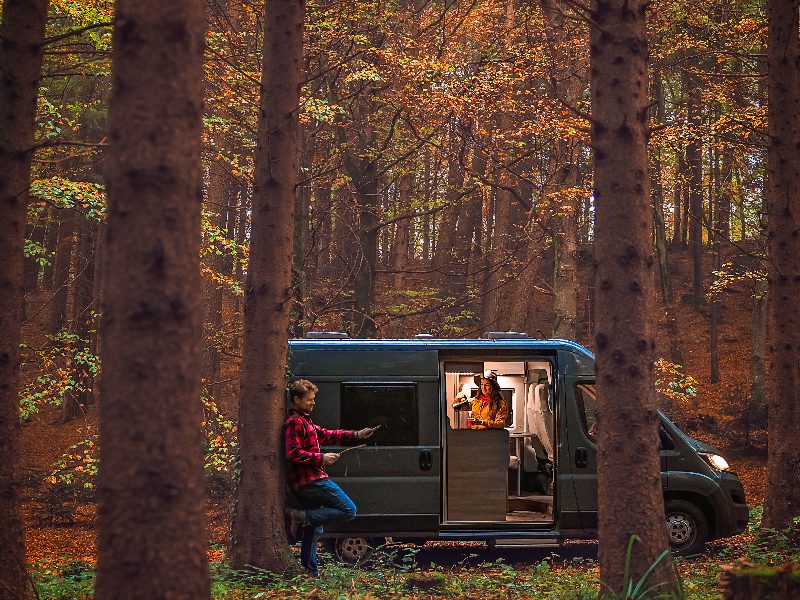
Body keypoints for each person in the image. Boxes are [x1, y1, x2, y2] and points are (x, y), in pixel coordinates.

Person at [283, 379, 378, 577]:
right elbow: (293, 453)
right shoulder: (294, 423)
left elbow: (328, 434)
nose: (313, 403)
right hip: (311, 481)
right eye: (309, 399)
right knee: (349, 510)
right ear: (297, 399)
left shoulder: (306, 421)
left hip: (310, 480)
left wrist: (357, 435)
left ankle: (310, 572)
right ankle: (300, 516)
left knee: (314, 529)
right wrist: (322, 458)